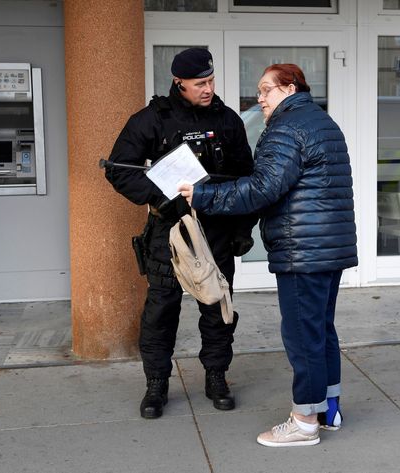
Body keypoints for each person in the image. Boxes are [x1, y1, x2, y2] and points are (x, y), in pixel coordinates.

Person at [179, 63, 357, 447]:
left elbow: (263, 188)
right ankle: (328, 409)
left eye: (266, 90)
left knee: (302, 335)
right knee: (321, 330)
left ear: (290, 89)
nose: (258, 98)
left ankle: (304, 421)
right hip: (329, 246)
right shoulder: (322, 122)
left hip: (303, 250)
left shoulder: (287, 128)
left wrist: (204, 195)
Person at [105, 48, 256, 419]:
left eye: (211, 81)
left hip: (216, 230)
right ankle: (156, 383)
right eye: (199, 83)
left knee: (217, 307)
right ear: (178, 83)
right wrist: (162, 196)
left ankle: (216, 376)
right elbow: (118, 170)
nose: (207, 89)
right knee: (160, 312)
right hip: (168, 231)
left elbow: (246, 179)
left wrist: (241, 229)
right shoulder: (152, 120)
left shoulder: (227, 121)